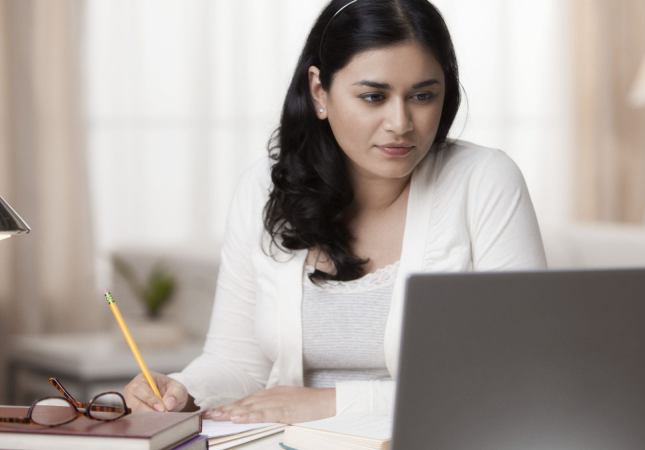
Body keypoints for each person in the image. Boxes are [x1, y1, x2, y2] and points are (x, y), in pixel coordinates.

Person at [122, 0, 546, 424]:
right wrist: (180, 391)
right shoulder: (264, 188)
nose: (400, 123)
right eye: (373, 97)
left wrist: (330, 403)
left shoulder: (484, 181)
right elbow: (236, 362)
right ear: (319, 92)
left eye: (423, 96)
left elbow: (520, 375)